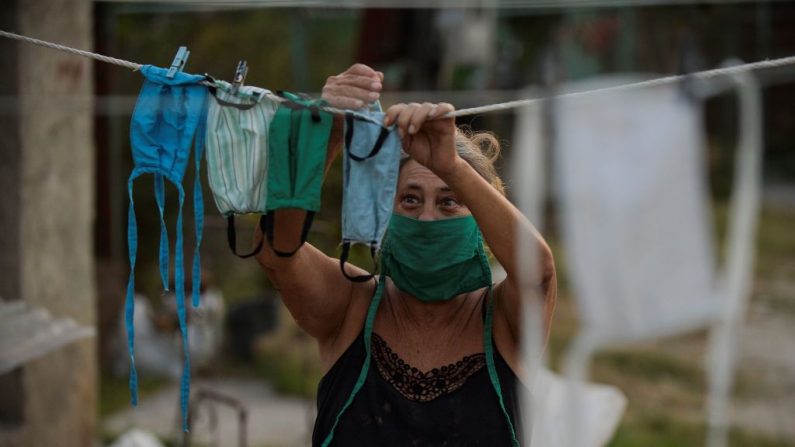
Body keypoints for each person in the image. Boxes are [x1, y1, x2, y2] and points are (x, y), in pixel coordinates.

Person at [254, 63, 556, 446]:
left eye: (450, 202)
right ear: (385, 213)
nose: (426, 218)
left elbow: (538, 272)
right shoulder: (351, 306)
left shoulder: (504, 324)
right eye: (410, 200)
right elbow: (277, 252)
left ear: (482, 223)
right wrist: (330, 131)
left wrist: (452, 166)